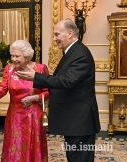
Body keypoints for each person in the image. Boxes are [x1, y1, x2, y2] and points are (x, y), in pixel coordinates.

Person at [16, 18, 101, 162]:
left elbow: (67, 81)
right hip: (74, 119)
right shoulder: (72, 52)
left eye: (57, 34)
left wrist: (37, 77)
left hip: (79, 121)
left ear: (69, 33)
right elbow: (62, 79)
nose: (54, 39)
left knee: (79, 158)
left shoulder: (79, 54)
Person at [0, 40, 49, 162]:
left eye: (17, 56)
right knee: (15, 146)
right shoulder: (9, 69)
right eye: (12, 55)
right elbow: (3, 87)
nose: (14, 59)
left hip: (33, 116)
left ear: (27, 56)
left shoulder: (40, 68)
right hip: (15, 116)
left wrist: (35, 98)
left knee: (33, 144)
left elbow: (48, 91)